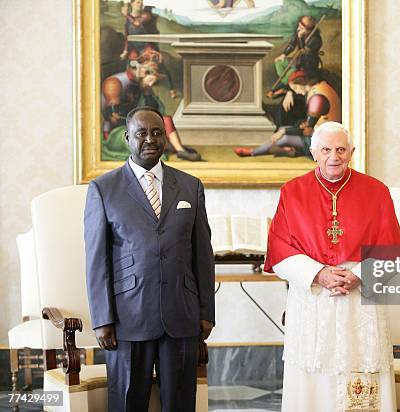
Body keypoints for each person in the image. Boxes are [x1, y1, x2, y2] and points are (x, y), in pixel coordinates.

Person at [264, 122, 400, 411]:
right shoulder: (293, 192)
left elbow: (393, 251)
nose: (334, 156)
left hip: (360, 302)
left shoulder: (376, 191)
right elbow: (279, 250)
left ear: (351, 152)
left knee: (361, 373)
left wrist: (358, 275)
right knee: (313, 375)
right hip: (314, 298)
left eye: (341, 149)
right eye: (326, 149)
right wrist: (319, 273)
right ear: (313, 152)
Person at [84, 106, 215, 411]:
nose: (150, 138)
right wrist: (102, 319)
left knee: (180, 403)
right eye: (141, 133)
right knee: (128, 401)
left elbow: (202, 254)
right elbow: (96, 260)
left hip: (181, 316)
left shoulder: (190, 186)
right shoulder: (103, 189)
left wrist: (206, 311)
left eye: (157, 132)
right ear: (128, 137)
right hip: (126, 319)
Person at [101, 60, 202, 161]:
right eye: (147, 71)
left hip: (136, 122)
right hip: (118, 130)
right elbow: (113, 115)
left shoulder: (139, 85)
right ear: (136, 69)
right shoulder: (115, 83)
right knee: (157, 133)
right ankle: (178, 149)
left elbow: (156, 110)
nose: (149, 75)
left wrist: (147, 93)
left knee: (165, 120)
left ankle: (180, 150)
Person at [235, 70, 340, 158]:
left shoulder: (317, 98)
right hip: (324, 135)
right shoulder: (321, 87)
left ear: (302, 83)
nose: (297, 92)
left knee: (284, 137)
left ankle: (253, 152)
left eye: (295, 88)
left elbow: (307, 131)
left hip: (324, 143)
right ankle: (292, 150)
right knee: (283, 131)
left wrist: (283, 132)